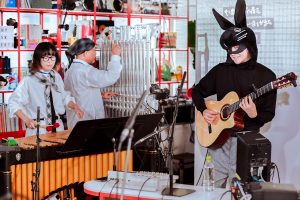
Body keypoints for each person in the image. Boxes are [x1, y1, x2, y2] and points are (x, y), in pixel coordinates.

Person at [192, 0, 277, 188]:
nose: (234, 55)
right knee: (215, 185)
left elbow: (269, 113)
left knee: (240, 186)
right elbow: (197, 91)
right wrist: (203, 108)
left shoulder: (267, 76)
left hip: (246, 140)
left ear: (251, 47)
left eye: (239, 51)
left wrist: (254, 113)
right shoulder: (220, 70)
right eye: (230, 51)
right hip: (218, 140)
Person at [8, 42, 84, 136]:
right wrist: (27, 120)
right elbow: (13, 103)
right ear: (37, 59)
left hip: (57, 126)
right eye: (46, 58)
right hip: (38, 128)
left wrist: (75, 107)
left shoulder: (56, 76)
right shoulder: (29, 80)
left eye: (52, 57)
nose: (50, 61)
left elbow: (65, 97)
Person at [64, 38, 122, 129]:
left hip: (75, 123)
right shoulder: (85, 71)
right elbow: (110, 77)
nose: (95, 53)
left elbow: (78, 93)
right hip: (86, 123)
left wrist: (100, 95)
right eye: (94, 50)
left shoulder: (70, 70)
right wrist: (115, 56)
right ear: (85, 53)